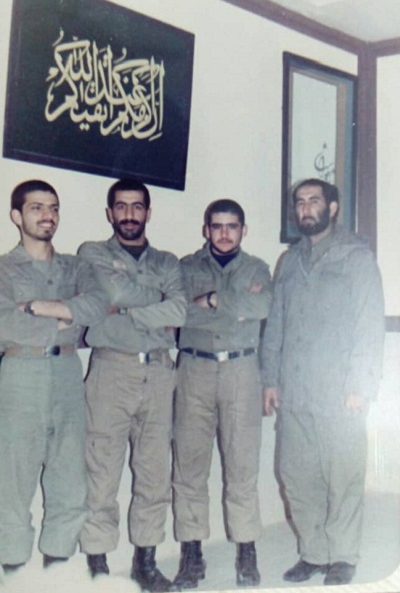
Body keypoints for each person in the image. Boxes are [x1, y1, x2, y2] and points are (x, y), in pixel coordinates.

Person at [261, 178, 385, 586]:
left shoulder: (356, 257)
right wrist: (270, 379)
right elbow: (276, 324)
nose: (306, 208)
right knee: (296, 475)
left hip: (340, 392)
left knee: (343, 476)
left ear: (332, 209)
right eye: (300, 202)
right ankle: (314, 552)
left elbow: (369, 325)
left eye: (314, 201)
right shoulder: (289, 261)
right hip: (295, 389)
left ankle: (343, 555)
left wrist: (360, 386)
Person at [78, 178, 186, 591]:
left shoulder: (168, 261)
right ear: (110, 213)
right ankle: (98, 568)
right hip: (111, 370)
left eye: (136, 206)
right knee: (101, 472)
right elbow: (113, 289)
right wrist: (156, 302)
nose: (129, 214)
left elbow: (181, 310)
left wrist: (125, 309)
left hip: (158, 372)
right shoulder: (93, 253)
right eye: (121, 207)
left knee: (154, 474)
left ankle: (146, 563)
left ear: (148, 212)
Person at [0, 180, 109, 575]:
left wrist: (36, 307)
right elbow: (4, 323)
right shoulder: (3, 269)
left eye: (53, 208)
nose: (48, 215)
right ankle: (14, 575)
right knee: (12, 481)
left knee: (69, 478)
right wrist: (65, 317)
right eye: (37, 208)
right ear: (17, 216)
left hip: (66, 374)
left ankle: (56, 574)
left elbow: (98, 304)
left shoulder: (77, 267)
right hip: (20, 374)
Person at [172, 199, 272, 588]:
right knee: (189, 466)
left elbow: (262, 305)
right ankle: (191, 554)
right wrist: (234, 308)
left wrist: (212, 300)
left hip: (240, 371)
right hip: (194, 369)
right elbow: (179, 313)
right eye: (217, 226)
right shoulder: (186, 268)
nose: (225, 234)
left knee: (242, 466)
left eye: (232, 226)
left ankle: (246, 552)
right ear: (206, 230)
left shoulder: (257, 268)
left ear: (243, 230)